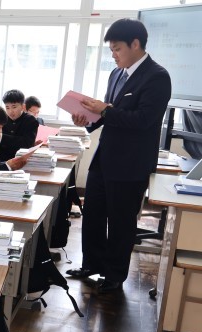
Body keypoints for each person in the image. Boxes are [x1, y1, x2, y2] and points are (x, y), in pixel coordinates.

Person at [67, 18, 171, 293]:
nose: (113, 55)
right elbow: (108, 114)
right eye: (111, 50)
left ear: (135, 44)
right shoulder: (116, 74)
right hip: (104, 158)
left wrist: (104, 110)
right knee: (93, 214)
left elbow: (143, 120)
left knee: (121, 222)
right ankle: (91, 264)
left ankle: (114, 275)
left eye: (117, 49)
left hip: (131, 163)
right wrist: (87, 119)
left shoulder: (157, 76)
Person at [0, 89, 39, 162]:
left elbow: (27, 143)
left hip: (22, 161)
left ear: (23, 106)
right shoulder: (2, 119)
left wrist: (2, 137)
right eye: (7, 107)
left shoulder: (30, 120)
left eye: (14, 107)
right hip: (2, 161)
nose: (10, 111)